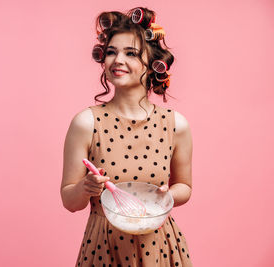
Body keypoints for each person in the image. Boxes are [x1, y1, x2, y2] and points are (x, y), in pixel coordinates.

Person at [60, 7, 193, 266]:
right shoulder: (86, 122)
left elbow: (185, 187)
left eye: (130, 53)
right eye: (111, 52)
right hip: (103, 247)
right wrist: (85, 188)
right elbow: (69, 200)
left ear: (152, 61)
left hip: (159, 247)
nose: (117, 60)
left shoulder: (176, 125)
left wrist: (166, 196)